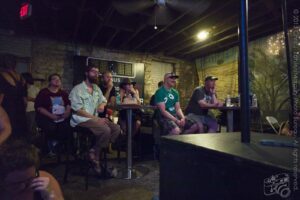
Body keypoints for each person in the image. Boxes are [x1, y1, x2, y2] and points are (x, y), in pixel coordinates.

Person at [69, 65, 121, 173]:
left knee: (116, 128)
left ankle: (93, 150)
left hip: (94, 119)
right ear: (86, 73)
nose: (96, 74)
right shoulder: (77, 89)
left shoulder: (96, 88)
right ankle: (96, 157)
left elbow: (103, 100)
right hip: (81, 119)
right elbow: (78, 110)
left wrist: (102, 105)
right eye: (93, 72)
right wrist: (97, 119)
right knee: (105, 130)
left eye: (97, 72)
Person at [35, 74, 72, 152]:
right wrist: (51, 116)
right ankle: (50, 145)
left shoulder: (63, 93)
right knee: (51, 127)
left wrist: (67, 112)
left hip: (61, 117)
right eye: (54, 79)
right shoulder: (44, 92)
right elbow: (39, 107)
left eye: (59, 79)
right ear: (50, 82)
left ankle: (61, 147)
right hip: (47, 117)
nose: (57, 80)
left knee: (68, 126)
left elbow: (68, 104)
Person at [0, 53, 28, 139]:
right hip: (20, 109)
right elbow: (25, 100)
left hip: (7, 108)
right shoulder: (21, 77)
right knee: (18, 136)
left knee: (6, 135)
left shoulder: (1, 75)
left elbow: (1, 96)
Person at [22, 72, 40, 140]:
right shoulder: (22, 89)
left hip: (32, 111)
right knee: (25, 129)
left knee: (31, 129)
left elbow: (40, 101)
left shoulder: (35, 89)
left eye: (23, 79)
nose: (21, 81)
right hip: (23, 111)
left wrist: (30, 99)